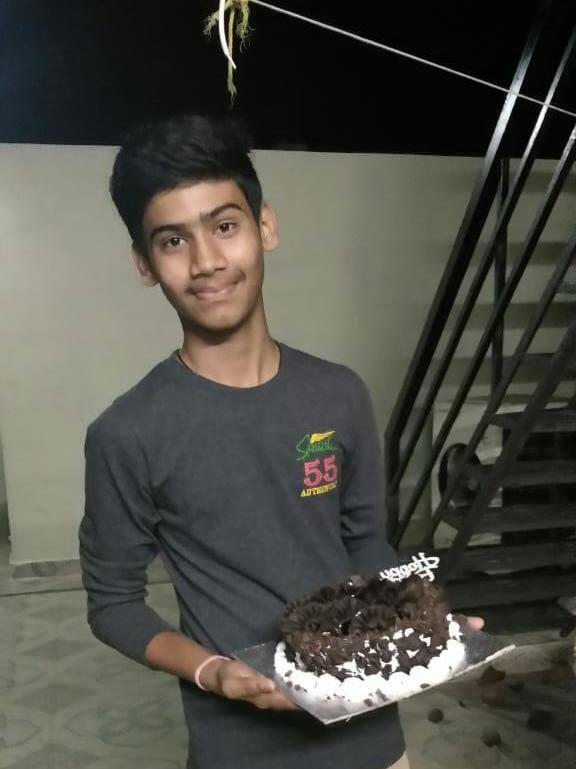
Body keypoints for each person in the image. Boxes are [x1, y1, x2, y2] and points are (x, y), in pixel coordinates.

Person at [79, 113, 480, 769]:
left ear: (264, 225)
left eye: (224, 226)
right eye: (173, 240)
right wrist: (211, 671)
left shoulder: (339, 395)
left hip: (370, 732)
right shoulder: (127, 433)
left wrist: (421, 624)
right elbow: (113, 604)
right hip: (240, 746)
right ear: (145, 263)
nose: (207, 261)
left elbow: (365, 543)